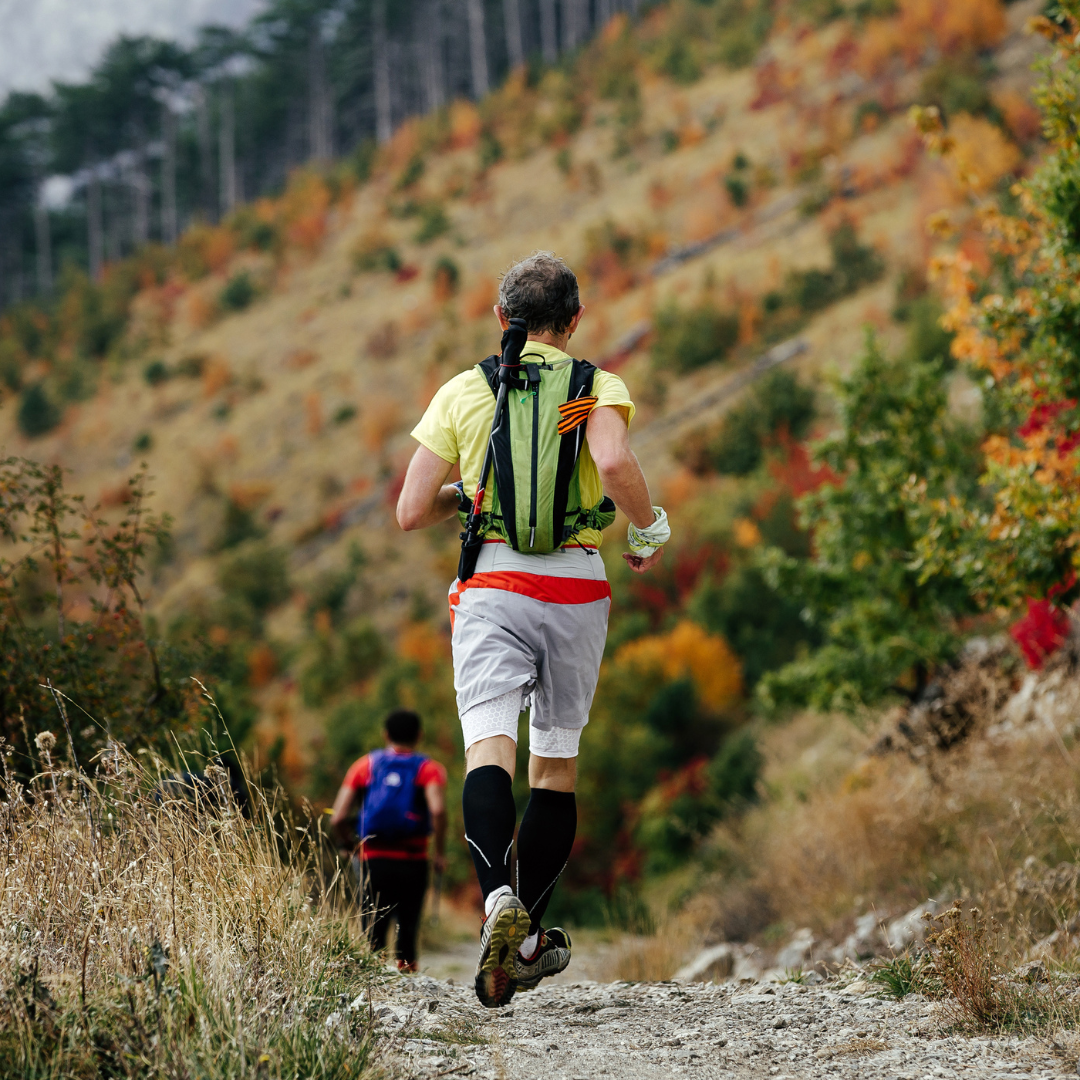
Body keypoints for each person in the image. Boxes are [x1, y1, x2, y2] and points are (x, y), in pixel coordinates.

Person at [396, 251, 668, 1007]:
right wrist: (650, 529)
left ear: (500, 319)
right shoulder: (593, 385)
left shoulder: (463, 389)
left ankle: (494, 905)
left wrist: (469, 492)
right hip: (576, 587)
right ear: (574, 321)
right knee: (555, 766)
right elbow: (613, 462)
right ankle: (527, 943)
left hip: (492, 585)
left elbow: (409, 511)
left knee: (491, 747)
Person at [329, 709, 448, 972]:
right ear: (419, 735)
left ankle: (374, 984)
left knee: (373, 926)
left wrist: (349, 845)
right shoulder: (429, 769)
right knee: (408, 923)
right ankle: (408, 984)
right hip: (413, 859)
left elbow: (337, 817)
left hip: (373, 858)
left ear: (385, 734)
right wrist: (439, 853)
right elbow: (438, 810)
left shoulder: (365, 766)